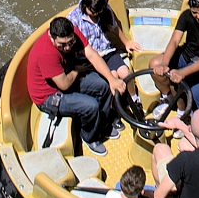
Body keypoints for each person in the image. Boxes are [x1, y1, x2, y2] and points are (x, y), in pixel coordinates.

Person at [26, 17, 126, 156]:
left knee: (103, 86)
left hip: (67, 74)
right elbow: (65, 84)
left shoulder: (73, 32)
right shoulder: (46, 53)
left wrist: (111, 79)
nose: (67, 48)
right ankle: (89, 137)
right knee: (90, 106)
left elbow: (91, 54)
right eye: (62, 44)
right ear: (51, 36)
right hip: (49, 95)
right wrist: (77, 70)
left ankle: (102, 123)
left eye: (70, 42)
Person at [67, 0, 142, 119]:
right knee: (112, 76)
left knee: (125, 72)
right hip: (91, 58)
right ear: (85, 4)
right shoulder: (74, 19)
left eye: (98, 12)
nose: (96, 14)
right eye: (93, 12)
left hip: (107, 51)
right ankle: (114, 110)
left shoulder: (105, 9)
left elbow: (114, 27)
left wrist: (126, 42)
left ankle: (134, 99)